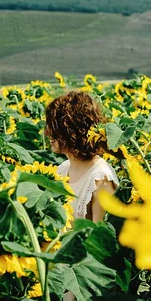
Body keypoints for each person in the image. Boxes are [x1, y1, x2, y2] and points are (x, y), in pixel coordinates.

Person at [45, 90, 118, 225]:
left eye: (54, 127)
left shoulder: (101, 178)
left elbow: (100, 236)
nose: (48, 133)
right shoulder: (62, 170)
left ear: (72, 131)